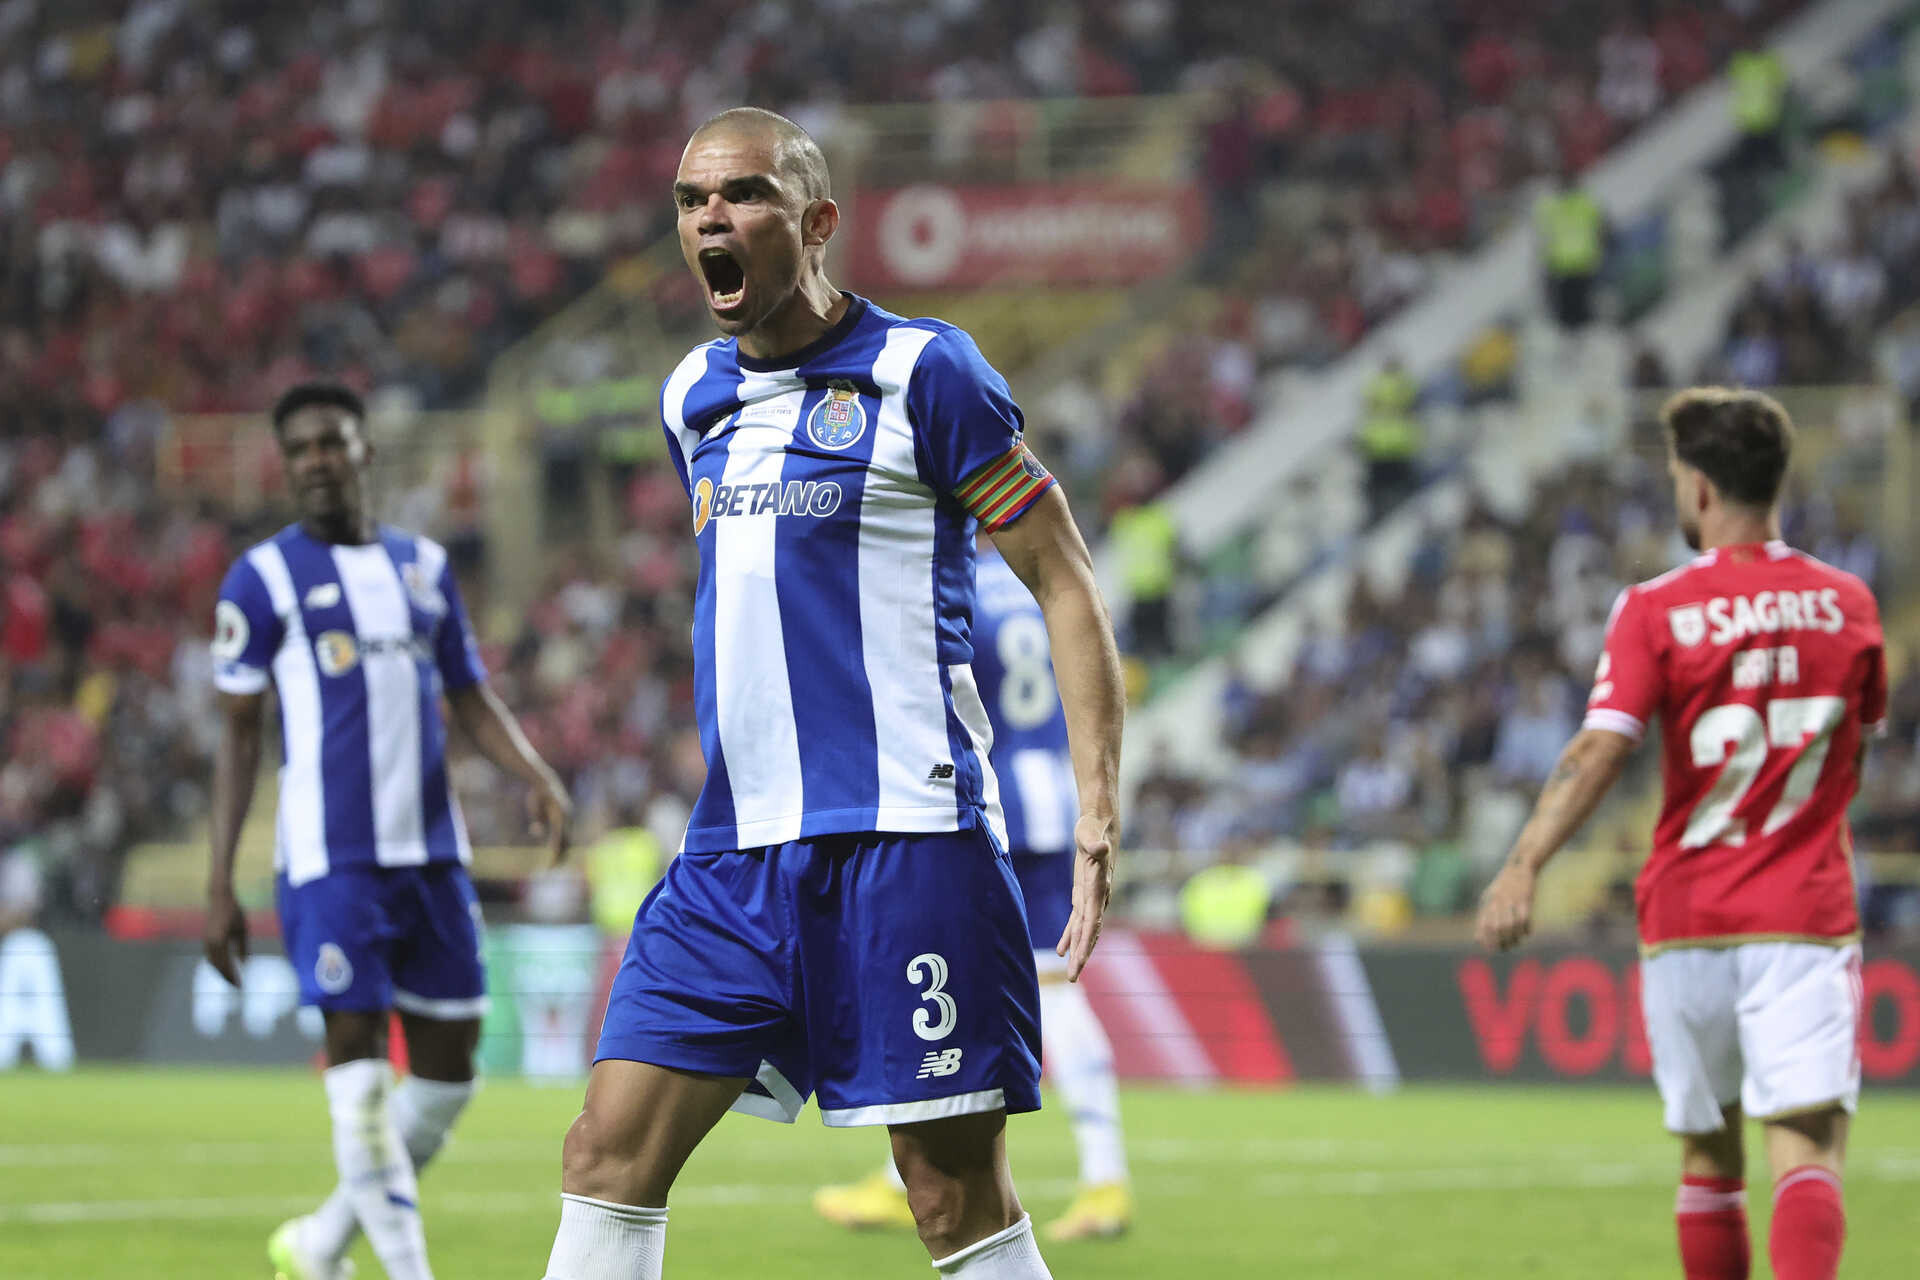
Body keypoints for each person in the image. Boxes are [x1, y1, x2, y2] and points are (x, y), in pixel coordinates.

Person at [537, 108, 1125, 1280]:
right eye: (692, 199)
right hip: (734, 855)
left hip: (908, 840)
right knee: (605, 1152)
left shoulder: (926, 373)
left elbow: (1064, 579)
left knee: (951, 1192)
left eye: (744, 194)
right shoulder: (690, 397)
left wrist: (1100, 811)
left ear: (815, 223)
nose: (712, 216)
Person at [1475, 388, 1884, 1280]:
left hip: (1688, 920)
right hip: (1802, 915)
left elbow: (1599, 750)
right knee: (1806, 1155)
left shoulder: (1655, 609)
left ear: (1698, 489)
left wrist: (1523, 865)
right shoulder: (1849, 604)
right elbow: (1862, 735)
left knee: (1709, 1162)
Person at [204, 383, 573, 1280]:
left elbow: (469, 694)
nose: (316, 462)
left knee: (448, 1079)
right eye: (299, 452)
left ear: (365, 450)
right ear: (287, 468)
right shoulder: (261, 580)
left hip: (434, 858)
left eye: (331, 443)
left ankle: (321, 1242)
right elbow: (240, 733)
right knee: (361, 1085)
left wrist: (534, 772)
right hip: (331, 866)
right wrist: (220, 882)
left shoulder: (424, 567)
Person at [812, 544, 1132, 1242]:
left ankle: (1107, 1178)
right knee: (972, 985)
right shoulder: (1034, 580)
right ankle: (908, 1178)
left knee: (1041, 989)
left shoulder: (954, 584)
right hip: (1051, 789)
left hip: (998, 800)